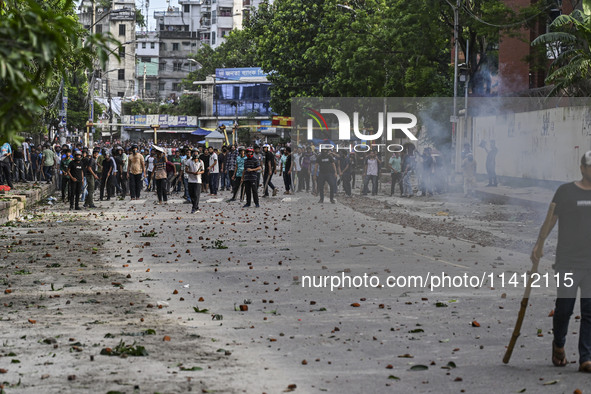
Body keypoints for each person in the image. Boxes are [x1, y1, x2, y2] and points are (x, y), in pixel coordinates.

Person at [531, 151, 591, 373]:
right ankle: (559, 345)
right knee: (564, 309)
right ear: (582, 168)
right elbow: (550, 220)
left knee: (589, 311)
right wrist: (539, 243)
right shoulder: (565, 192)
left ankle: (586, 357)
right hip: (567, 262)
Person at [185, 147, 204, 213]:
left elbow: (203, 171)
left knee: (196, 195)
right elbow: (186, 170)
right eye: (194, 152)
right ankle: (196, 207)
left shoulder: (201, 162)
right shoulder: (189, 161)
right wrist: (192, 173)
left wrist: (198, 173)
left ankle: (194, 208)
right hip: (190, 180)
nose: (195, 154)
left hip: (198, 181)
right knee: (191, 194)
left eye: (196, 152)